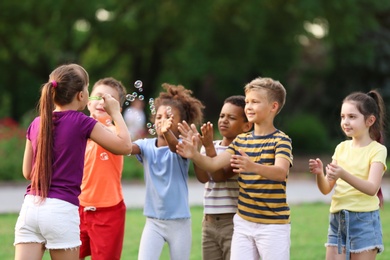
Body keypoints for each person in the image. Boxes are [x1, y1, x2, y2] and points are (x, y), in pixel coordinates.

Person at [14, 64, 132, 260]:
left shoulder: (36, 122)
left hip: (30, 208)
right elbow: (125, 146)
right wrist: (116, 112)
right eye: (87, 87)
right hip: (61, 210)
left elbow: (27, 172)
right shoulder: (81, 121)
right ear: (81, 95)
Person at [177, 77, 293, 260]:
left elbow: (280, 173)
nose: (248, 106)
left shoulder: (281, 141)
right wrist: (194, 154)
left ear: (273, 107)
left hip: (273, 225)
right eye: (247, 102)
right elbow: (214, 164)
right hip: (243, 223)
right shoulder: (241, 141)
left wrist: (252, 166)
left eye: (255, 102)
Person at [309, 90, 387, 260]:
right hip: (337, 220)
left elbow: (372, 188)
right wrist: (319, 174)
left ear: (370, 120)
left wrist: (343, 174)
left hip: (364, 221)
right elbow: (326, 189)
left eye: (352, 116)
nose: (345, 122)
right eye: (343, 116)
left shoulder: (377, 150)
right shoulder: (341, 148)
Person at [130, 83, 204, 260]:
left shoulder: (185, 147)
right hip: (153, 222)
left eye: (169, 117)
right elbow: (125, 147)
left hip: (179, 223)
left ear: (181, 124)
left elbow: (173, 147)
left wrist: (168, 133)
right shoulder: (145, 145)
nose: (162, 120)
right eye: (159, 117)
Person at [179, 95, 252, 260]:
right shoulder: (212, 146)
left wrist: (207, 148)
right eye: (222, 116)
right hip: (209, 223)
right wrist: (196, 151)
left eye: (232, 118)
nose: (224, 120)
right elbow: (203, 178)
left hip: (233, 223)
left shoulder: (242, 151)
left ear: (246, 126)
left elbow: (220, 176)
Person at [78, 77, 128, 260]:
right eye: (98, 97)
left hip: (108, 212)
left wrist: (116, 117)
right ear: (87, 102)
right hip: (78, 208)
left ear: (117, 110)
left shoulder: (116, 134)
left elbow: (125, 143)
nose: (102, 102)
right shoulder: (78, 132)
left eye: (109, 100)